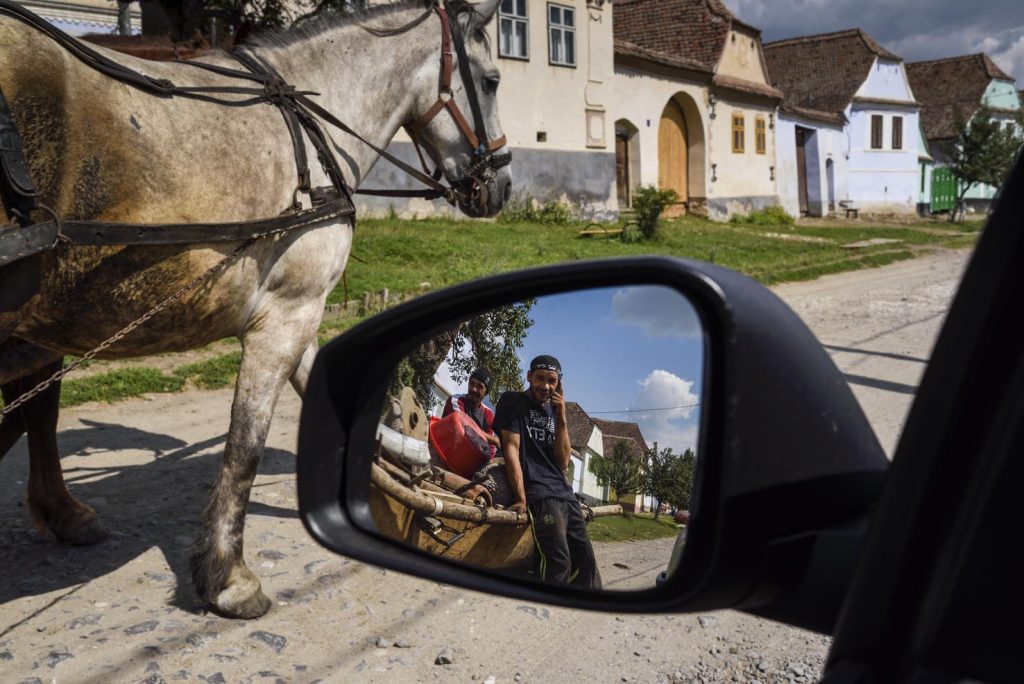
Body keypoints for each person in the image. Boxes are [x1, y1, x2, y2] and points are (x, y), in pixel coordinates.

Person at [493, 355, 601, 588]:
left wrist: (561, 416)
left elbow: (563, 462)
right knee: (559, 562)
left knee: (587, 562)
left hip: (564, 493)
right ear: (529, 376)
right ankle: (546, 604)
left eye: (552, 381)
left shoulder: (555, 411)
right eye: (540, 378)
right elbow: (511, 450)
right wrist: (521, 497)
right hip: (539, 492)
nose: (545, 386)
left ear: (559, 383)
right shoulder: (512, 401)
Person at [441, 367, 500, 455]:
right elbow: (462, 425)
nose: (473, 389)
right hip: (445, 452)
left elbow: (489, 448)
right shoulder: (456, 400)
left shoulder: (488, 415)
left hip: (469, 459)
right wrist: (494, 440)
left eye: (479, 386)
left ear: (486, 392)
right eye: (472, 384)